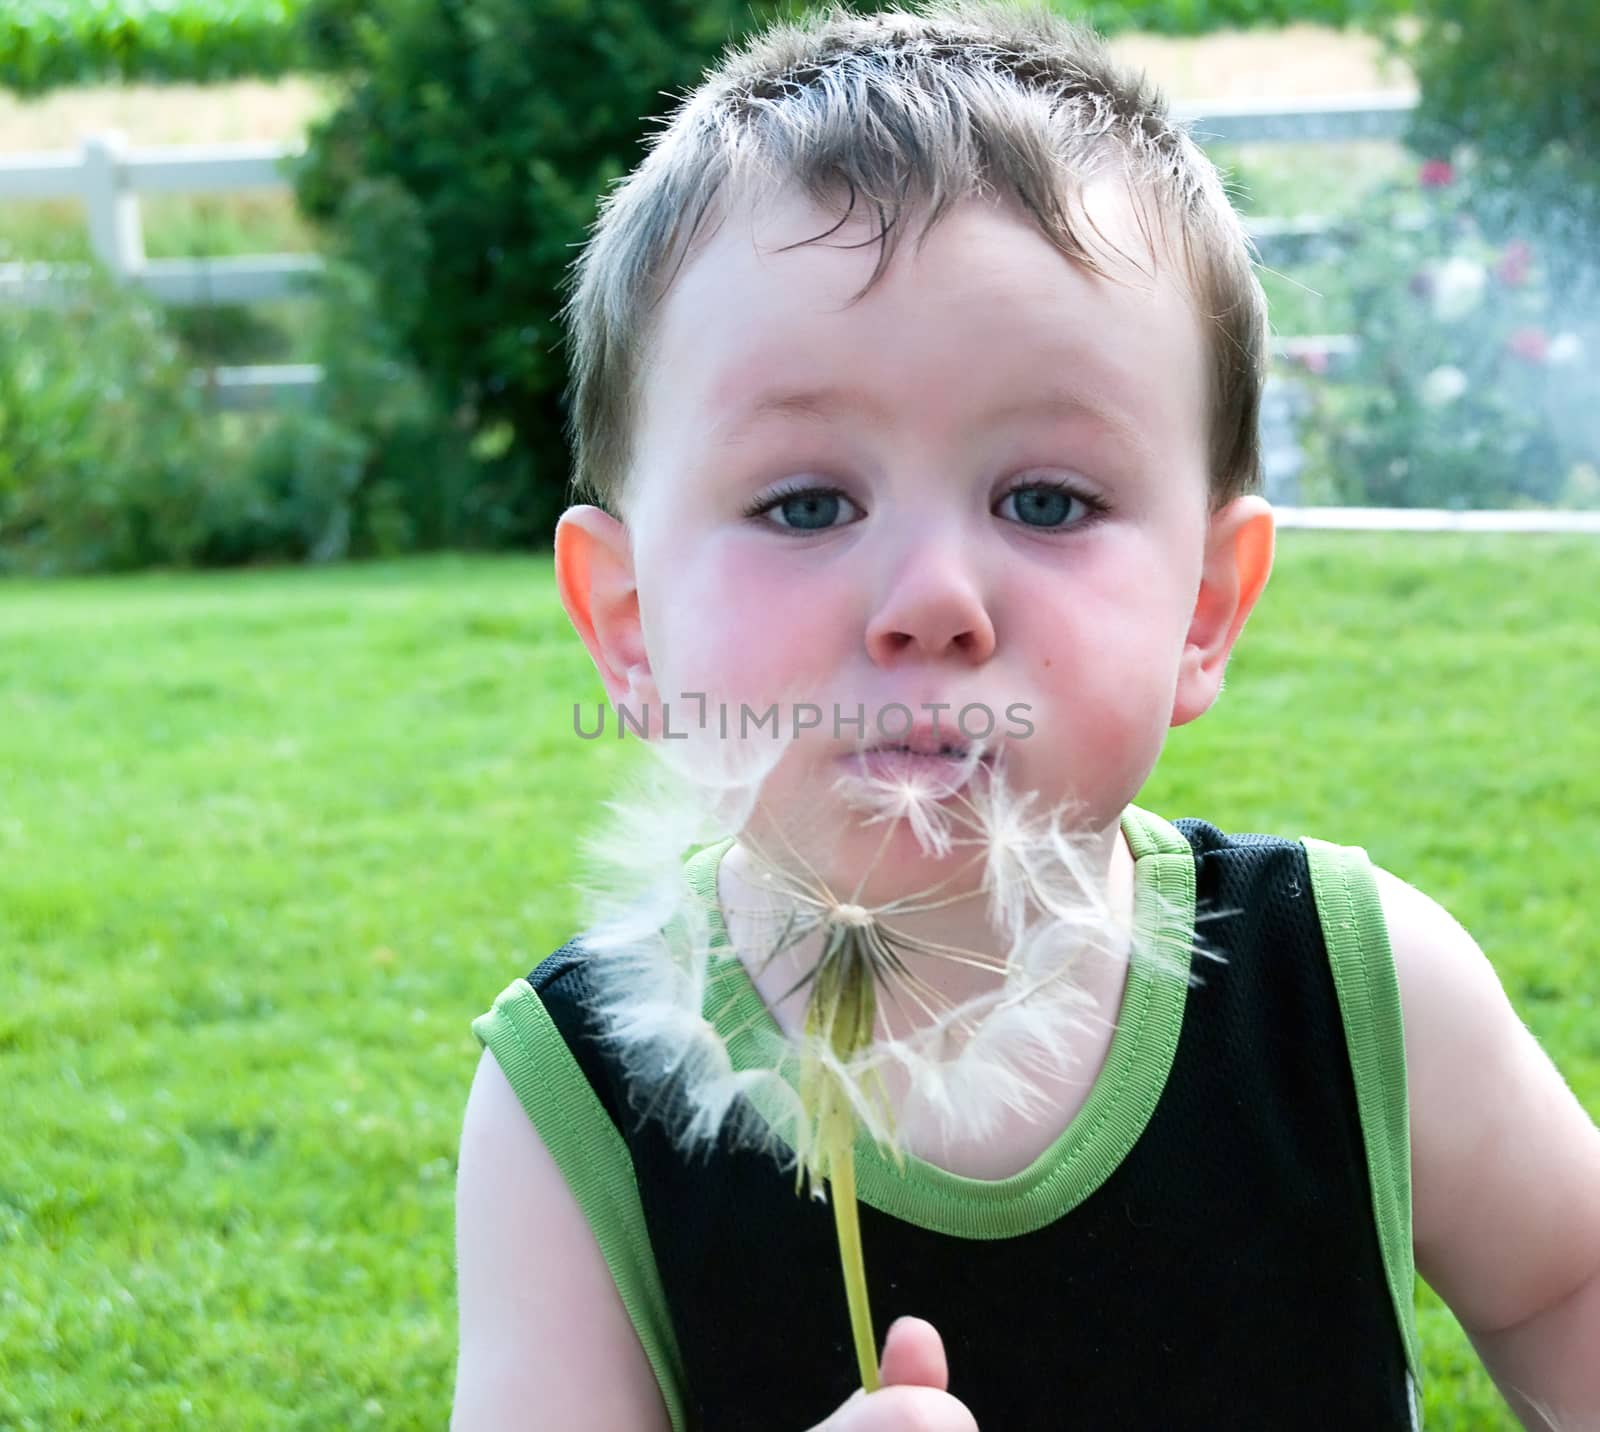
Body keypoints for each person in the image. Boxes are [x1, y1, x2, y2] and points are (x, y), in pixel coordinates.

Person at [451, 3, 1600, 1428]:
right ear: (628, 624)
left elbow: (1571, 1287)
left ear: (1204, 606)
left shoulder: (1355, 989)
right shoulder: (575, 1118)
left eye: (1045, 501)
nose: (932, 598)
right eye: (806, 503)